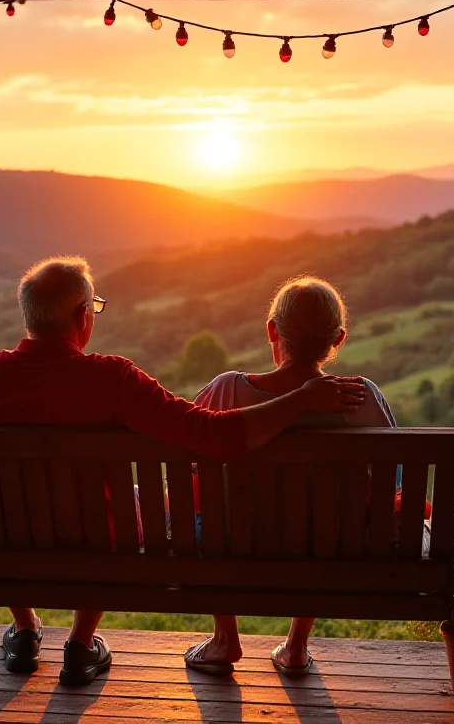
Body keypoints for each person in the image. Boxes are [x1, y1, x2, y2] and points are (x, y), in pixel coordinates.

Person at [0, 257, 367, 687]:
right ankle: (80, 642)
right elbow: (210, 435)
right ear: (82, 317)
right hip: (94, 547)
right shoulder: (112, 379)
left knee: (14, 510)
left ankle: (26, 628)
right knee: (108, 512)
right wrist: (300, 401)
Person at [184, 275, 396, 678]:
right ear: (338, 340)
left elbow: (193, 471)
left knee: (208, 512)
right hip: (328, 547)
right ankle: (296, 646)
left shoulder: (227, 389)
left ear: (272, 331)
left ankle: (225, 637)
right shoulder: (359, 395)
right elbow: (391, 481)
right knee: (322, 521)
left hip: (232, 543)